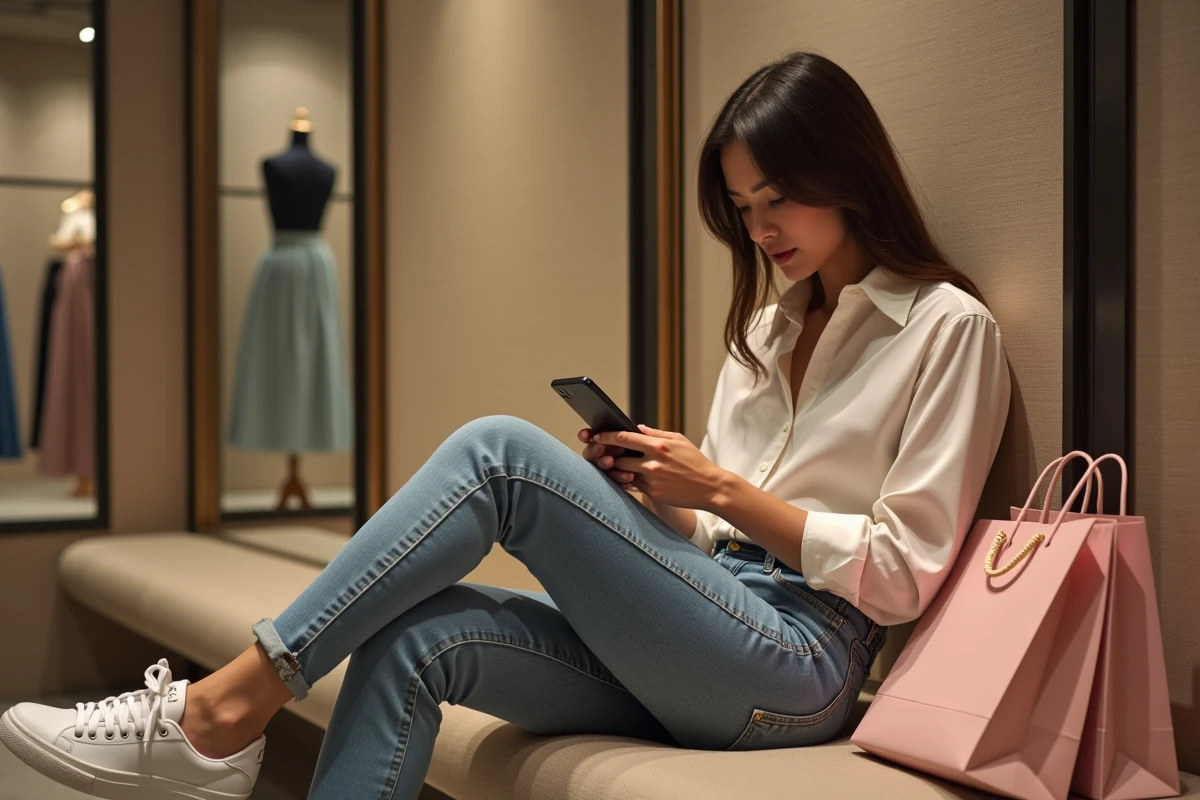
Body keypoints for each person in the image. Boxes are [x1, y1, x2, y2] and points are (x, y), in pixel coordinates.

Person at [0, 51, 1010, 800]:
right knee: (419, 639)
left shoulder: (946, 328)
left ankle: (222, 708)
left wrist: (723, 492)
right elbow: (711, 536)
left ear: (850, 171)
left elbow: (905, 572)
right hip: (711, 625)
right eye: (742, 208)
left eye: (777, 199)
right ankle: (224, 717)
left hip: (803, 662)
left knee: (498, 450)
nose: (759, 231)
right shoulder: (764, 326)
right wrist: (657, 497)